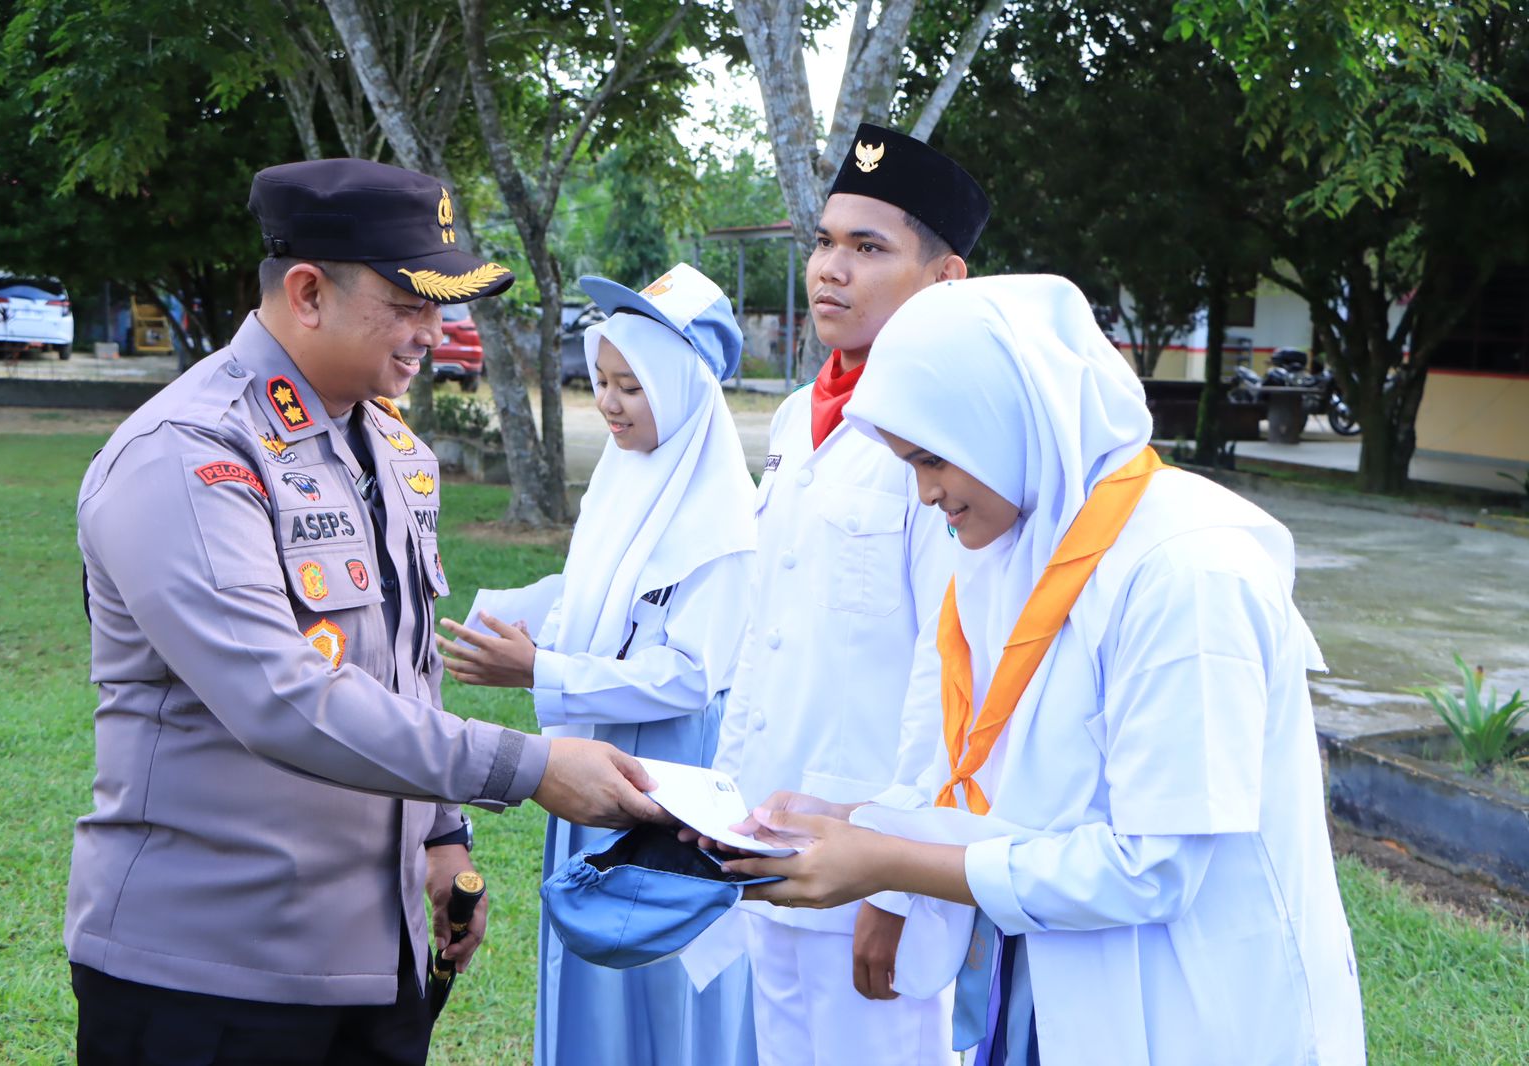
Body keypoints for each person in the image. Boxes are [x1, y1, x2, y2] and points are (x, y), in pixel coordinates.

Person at [67, 158, 666, 1066]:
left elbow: (400, 665)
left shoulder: (389, 444)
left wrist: (440, 836)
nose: (437, 330)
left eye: (445, 304)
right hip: (208, 974)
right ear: (307, 292)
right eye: (411, 303)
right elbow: (282, 696)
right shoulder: (187, 455)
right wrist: (527, 766)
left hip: (370, 960)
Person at [721, 274, 1367, 1066]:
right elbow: (1024, 790)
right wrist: (855, 817)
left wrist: (885, 860)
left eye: (931, 460)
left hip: (1190, 1007)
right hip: (1051, 985)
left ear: (1004, 422)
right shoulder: (1013, 557)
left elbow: (1151, 868)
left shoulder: (1188, 572)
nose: (925, 495)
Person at [708, 123, 990, 1066]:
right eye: (825, 241)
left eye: (868, 248)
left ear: (944, 280)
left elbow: (947, 676)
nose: (831, 269)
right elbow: (770, 631)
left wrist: (896, 883)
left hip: (863, 850)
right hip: (766, 829)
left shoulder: (956, 440)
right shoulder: (798, 416)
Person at [436, 263, 759, 1066]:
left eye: (632, 387)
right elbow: (596, 592)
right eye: (601, 380)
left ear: (682, 392)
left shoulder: (725, 523)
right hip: (598, 760)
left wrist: (543, 670)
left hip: (673, 779)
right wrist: (501, 614)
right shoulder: (626, 479)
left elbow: (689, 674)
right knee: (592, 958)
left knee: (662, 965)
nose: (609, 402)